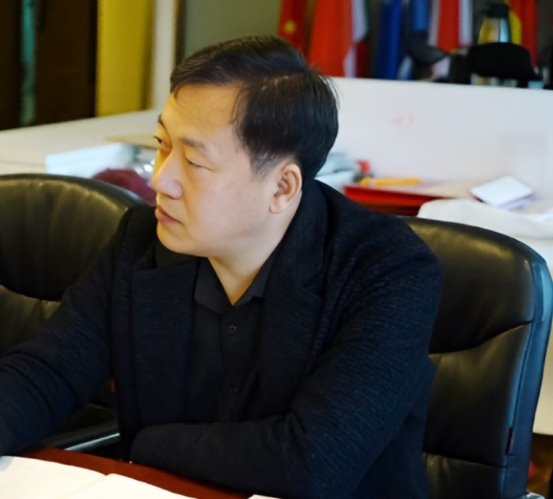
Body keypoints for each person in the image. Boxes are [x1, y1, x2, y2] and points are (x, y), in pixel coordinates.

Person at [0, 35, 441, 498]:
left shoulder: (388, 270)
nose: (161, 180)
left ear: (281, 188)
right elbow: (47, 372)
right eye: (162, 145)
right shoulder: (142, 241)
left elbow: (313, 463)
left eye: (193, 161)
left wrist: (145, 445)